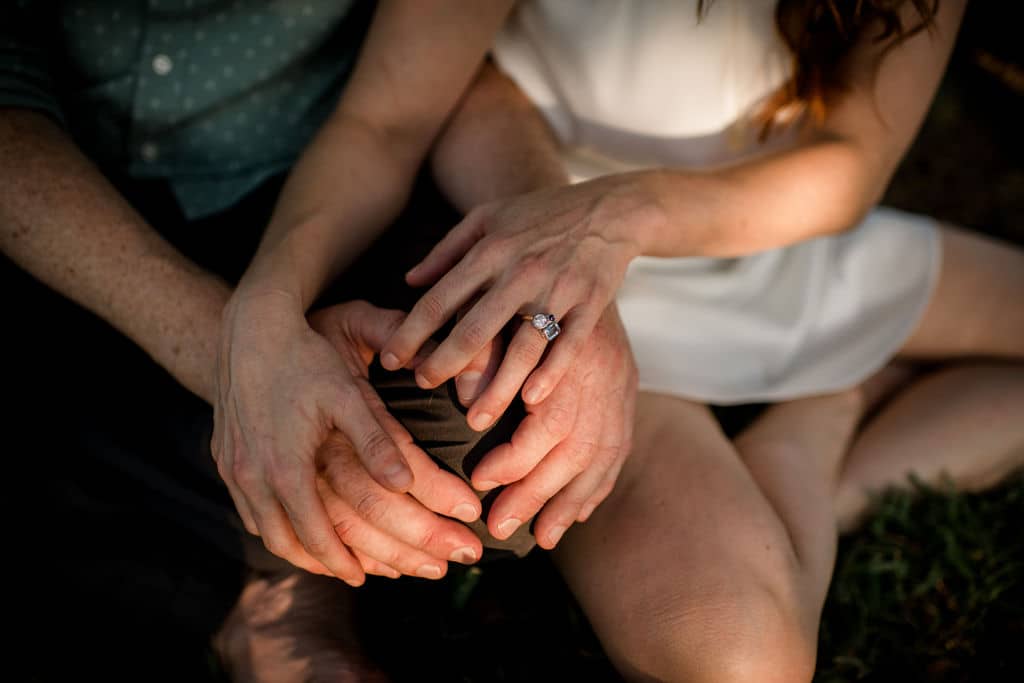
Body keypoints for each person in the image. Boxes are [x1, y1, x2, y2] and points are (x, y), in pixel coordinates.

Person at [370, 0, 1024, 679]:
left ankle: (819, 460)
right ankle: (822, 417)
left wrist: (620, 216)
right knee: (746, 661)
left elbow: (853, 158)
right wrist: (572, 245)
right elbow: (452, 84)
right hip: (572, 268)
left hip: (772, 228)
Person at [2, 0, 634, 679]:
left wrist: (562, 293)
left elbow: (405, 110)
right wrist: (240, 355)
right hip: (56, 208)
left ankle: (290, 556)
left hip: (330, 182)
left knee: (488, 412)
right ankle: (269, 588)